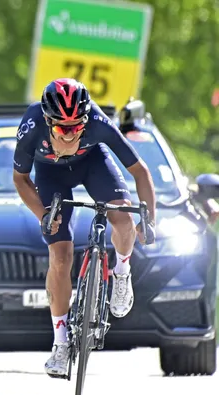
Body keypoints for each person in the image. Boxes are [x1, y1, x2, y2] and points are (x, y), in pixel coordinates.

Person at [12, 78, 157, 378]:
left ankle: (122, 272)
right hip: (51, 176)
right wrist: (42, 215)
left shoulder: (97, 124)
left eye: (77, 126)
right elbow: (20, 179)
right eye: (62, 129)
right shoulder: (31, 127)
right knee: (61, 256)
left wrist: (150, 219)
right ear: (47, 121)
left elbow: (140, 171)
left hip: (93, 165)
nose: (71, 133)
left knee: (123, 220)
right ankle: (61, 343)